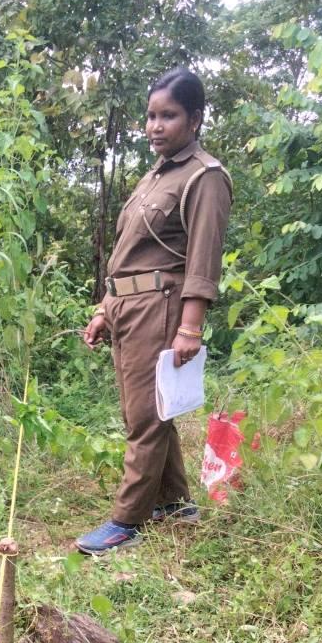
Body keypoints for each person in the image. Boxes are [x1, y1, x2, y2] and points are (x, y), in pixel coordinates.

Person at [75, 67, 233, 556]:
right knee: (147, 408)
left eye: (169, 116)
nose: (155, 126)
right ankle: (174, 503)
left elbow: (203, 259)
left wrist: (191, 328)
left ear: (195, 118)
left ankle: (127, 520)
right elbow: (129, 255)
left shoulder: (205, 176)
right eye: (151, 116)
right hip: (127, 307)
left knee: (144, 417)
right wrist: (105, 309)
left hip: (162, 307)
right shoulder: (153, 177)